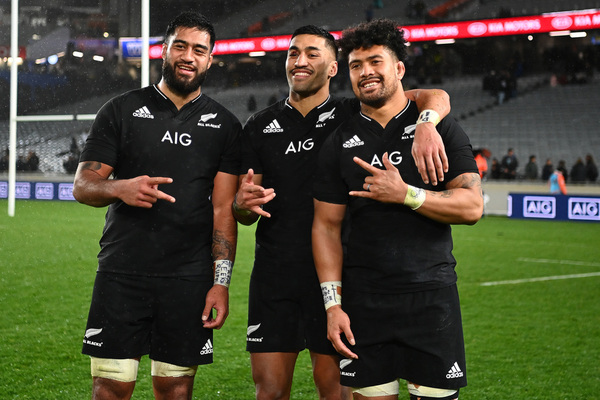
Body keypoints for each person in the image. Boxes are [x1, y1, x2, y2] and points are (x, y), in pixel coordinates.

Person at [232, 25, 452, 400]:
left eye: (312, 54)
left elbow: (435, 95)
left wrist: (426, 125)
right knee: (268, 391)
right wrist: (243, 205)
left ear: (334, 68)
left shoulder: (354, 112)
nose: (300, 62)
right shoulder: (258, 126)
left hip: (340, 277)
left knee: (336, 392)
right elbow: (244, 213)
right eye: (293, 53)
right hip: (275, 277)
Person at [72, 11, 241, 400]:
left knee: (176, 388)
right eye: (180, 45)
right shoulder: (121, 109)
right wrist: (120, 188)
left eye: (200, 49)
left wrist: (221, 283)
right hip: (122, 273)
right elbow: (83, 186)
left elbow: (223, 212)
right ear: (163, 51)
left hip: (188, 279)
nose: (188, 56)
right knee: (111, 388)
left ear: (210, 59)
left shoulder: (226, 125)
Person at [312, 19, 483, 400]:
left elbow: (471, 206)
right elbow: (325, 228)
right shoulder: (338, 141)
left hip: (431, 298)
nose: (366, 72)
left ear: (399, 69)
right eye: (356, 65)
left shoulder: (441, 130)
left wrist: (407, 193)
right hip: (364, 303)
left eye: (376, 61)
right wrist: (333, 306)